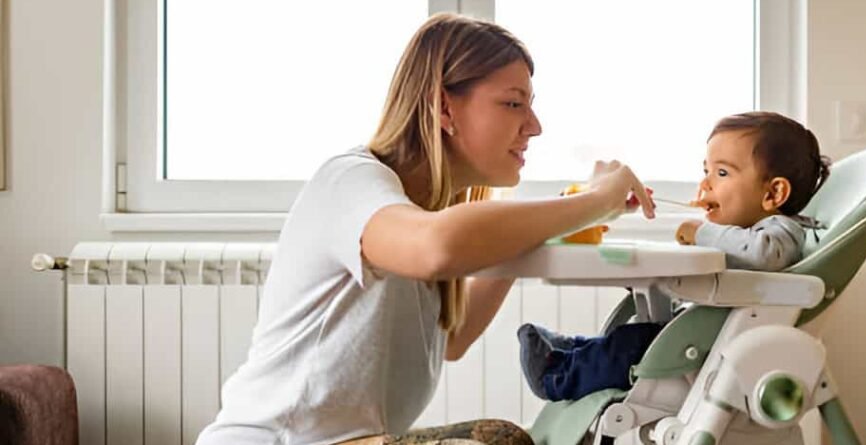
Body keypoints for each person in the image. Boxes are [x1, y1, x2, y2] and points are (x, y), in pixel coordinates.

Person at [196, 13, 655, 445]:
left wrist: (553, 222)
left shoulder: (426, 211)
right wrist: (595, 201)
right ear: (442, 107)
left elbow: (453, 337)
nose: (533, 126)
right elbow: (437, 246)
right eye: (513, 103)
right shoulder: (352, 181)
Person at [518, 111, 829, 402]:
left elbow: (766, 255)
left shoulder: (783, 229)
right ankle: (572, 349)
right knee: (631, 339)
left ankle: (557, 375)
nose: (706, 183)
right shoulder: (736, 236)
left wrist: (701, 232)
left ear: (773, 194)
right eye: (706, 171)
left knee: (634, 345)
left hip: (716, 351)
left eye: (722, 173)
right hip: (696, 337)